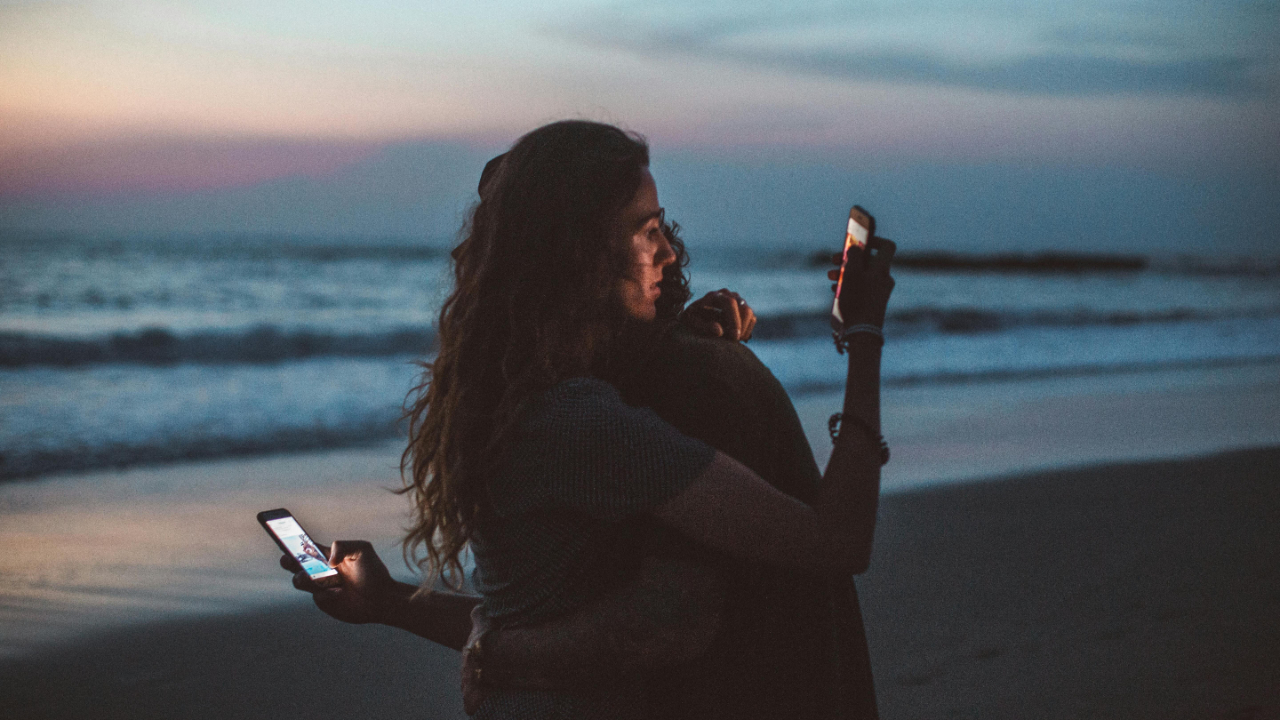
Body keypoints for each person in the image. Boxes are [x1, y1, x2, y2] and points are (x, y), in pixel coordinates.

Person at [281, 120, 895, 718]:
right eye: (647, 230)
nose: (669, 251)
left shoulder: (513, 395)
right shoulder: (582, 422)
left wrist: (390, 601)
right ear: (580, 252)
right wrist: (865, 340)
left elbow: (519, 620)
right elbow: (834, 541)